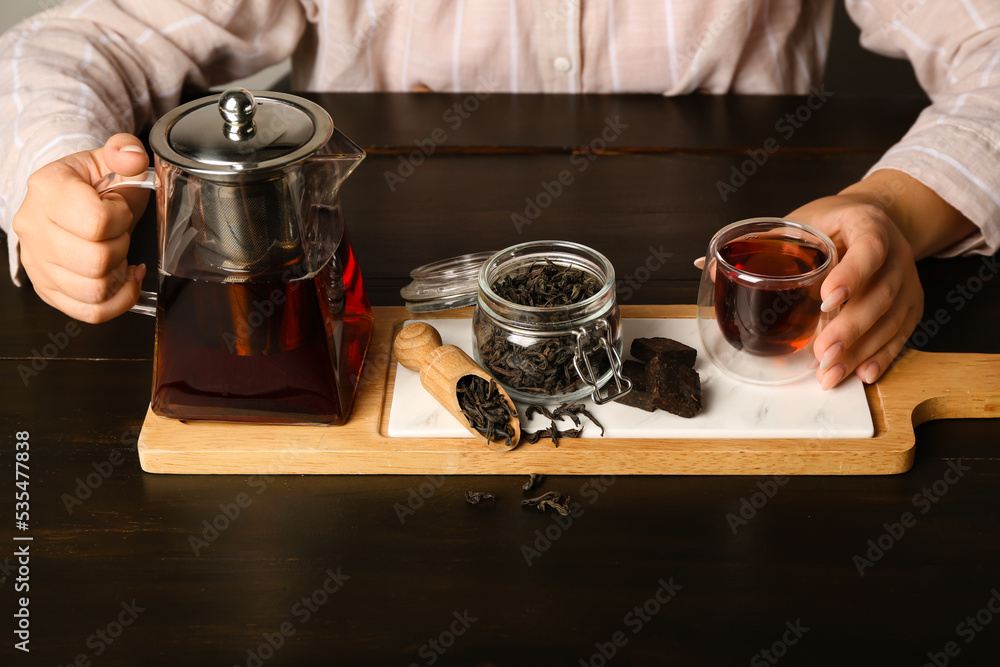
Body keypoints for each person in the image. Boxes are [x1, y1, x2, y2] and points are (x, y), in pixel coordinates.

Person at [0, 0, 996, 392]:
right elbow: (74, 41)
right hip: (392, 326)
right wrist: (50, 172)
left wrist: (896, 206)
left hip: (761, 338)